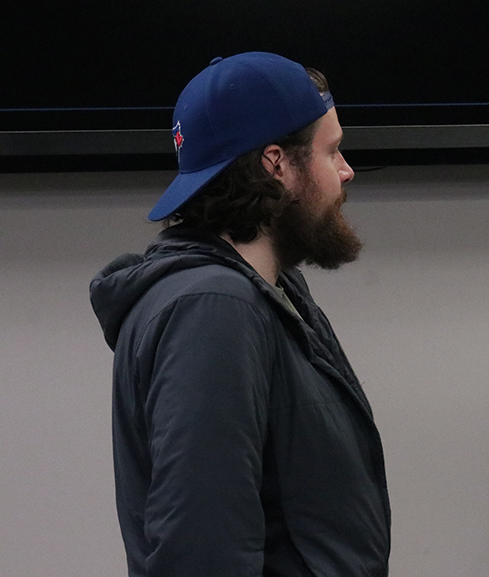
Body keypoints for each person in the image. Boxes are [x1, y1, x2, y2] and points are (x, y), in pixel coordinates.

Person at [90, 52, 390, 576]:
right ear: (276, 164)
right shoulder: (212, 309)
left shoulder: (263, 293)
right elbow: (202, 548)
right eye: (332, 151)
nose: (347, 171)